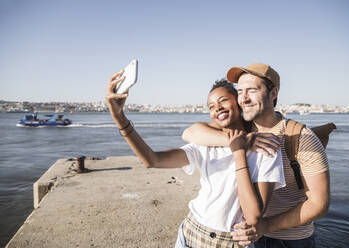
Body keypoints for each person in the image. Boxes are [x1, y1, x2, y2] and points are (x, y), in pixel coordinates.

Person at [106, 70, 286, 248]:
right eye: (211, 106)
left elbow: (253, 216)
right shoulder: (205, 144)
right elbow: (153, 160)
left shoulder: (265, 147)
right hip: (190, 232)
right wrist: (119, 117)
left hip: (230, 243)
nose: (218, 108)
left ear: (238, 102)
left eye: (223, 100)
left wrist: (239, 152)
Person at [182, 63, 330, 248]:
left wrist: (265, 226)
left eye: (251, 90)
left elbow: (319, 204)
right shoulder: (242, 128)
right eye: (240, 91)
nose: (243, 98)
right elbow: (191, 133)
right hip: (247, 236)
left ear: (273, 93)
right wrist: (243, 141)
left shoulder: (301, 137)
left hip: (289, 239)